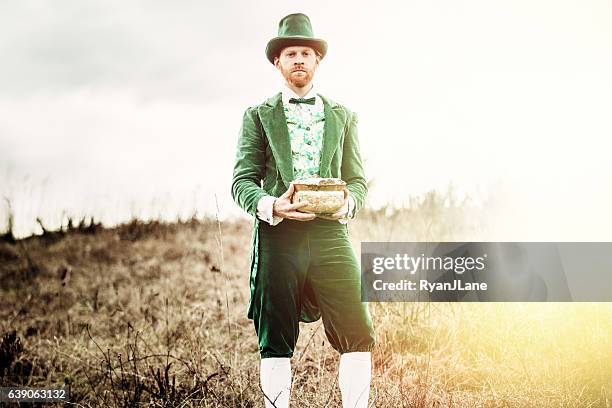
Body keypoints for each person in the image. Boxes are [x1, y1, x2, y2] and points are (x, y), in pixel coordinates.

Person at [231, 13, 376, 408]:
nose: (298, 59)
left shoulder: (344, 116)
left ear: (317, 61)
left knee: (357, 326)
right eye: (290, 53)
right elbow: (241, 180)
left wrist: (348, 202)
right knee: (275, 338)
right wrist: (271, 204)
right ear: (277, 62)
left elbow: (358, 181)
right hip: (278, 235)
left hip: (331, 234)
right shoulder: (257, 116)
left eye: (306, 53)